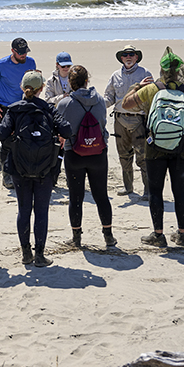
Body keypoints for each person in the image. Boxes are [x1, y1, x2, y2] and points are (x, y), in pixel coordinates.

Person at [122, 47, 184, 247]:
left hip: (155, 148)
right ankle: (182, 234)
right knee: (180, 192)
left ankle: (158, 235)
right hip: (182, 148)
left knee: (156, 191)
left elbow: (126, 104)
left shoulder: (153, 89)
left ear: (162, 69)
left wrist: (135, 87)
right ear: (180, 70)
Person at [0, 70, 71, 266]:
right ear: (42, 88)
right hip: (45, 168)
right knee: (41, 211)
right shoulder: (48, 109)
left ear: (22, 88)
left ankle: (26, 254)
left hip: (19, 167)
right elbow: (67, 130)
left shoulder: (14, 110)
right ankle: (39, 256)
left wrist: (13, 139)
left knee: (24, 210)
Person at [55, 65, 116, 248]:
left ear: (70, 84)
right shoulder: (99, 100)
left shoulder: (64, 104)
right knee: (101, 195)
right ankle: (108, 235)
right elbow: (103, 123)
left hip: (74, 153)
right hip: (98, 152)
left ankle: (76, 237)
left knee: (76, 197)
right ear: (87, 81)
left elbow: (61, 129)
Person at [0, 37, 36, 189]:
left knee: (24, 140)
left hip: (24, 107)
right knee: (6, 142)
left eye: (25, 52)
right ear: (12, 51)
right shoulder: (0, 65)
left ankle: (21, 170)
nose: (23, 56)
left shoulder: (31, 62)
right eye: (20, 53)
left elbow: (33, 83)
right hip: (4, 108)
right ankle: (7, 175)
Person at [104, 44, 152, 199]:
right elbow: (109, 97)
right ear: (121, 58)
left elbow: (151, 98)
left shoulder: (145, 73)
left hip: (139, 120)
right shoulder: (115, 75)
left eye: (131, 54)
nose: (128, 57)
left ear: (136, 57)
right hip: (119, 120)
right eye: (125, 54)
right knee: (124, 156)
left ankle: (148, 190)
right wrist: (95, 105)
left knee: (143, 157)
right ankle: (128, 187)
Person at [43, 51, 74, 182]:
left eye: (68, 66)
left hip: (72, 117)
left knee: (71, 151)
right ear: (57, 65)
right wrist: (62, 97)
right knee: (56, 151)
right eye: (63, 66)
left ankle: (71, 179)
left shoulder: (74, 77)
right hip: (56, 119)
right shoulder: (51, 81)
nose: (66, 69)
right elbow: (47, 100)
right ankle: (53, 179)